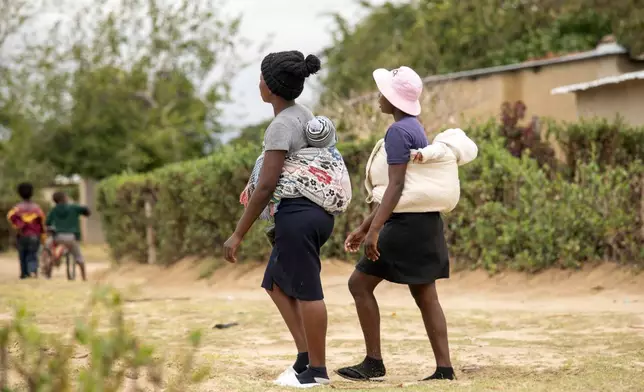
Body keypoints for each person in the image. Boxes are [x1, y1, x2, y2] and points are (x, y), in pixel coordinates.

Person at [224, 51, 347, 388]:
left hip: (298, 214)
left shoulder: (280, 126)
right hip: (314, 213)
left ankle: (317, 372)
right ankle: (305, 357)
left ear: (272, 87)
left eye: (262, 77)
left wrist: (238, 234)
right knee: (276, 284)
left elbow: (265, 186)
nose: (259, 83)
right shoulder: (303, 113)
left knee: (308, 291)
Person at [336, 66, 456, 382]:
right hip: (426, 225)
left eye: (382, 91)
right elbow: (408, 190)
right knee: (425, 294)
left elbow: (396, 186)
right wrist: (364, 227)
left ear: (392, 98)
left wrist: (373, 231)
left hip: (404, 226)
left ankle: (374, 363)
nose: (378, 96)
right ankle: (444, 369)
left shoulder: (397, 132)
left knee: (358, 284)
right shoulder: (415, 128)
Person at [45, 191, 90, 281]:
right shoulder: (73, 207)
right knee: (79, 257)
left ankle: (48, 273)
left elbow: (47, 223)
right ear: (64, 198)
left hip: (58, 236)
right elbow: (86, 211)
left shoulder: (54, 210)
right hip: (71, 237)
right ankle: (84, 277)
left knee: (52, 251)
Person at [7, 182, 46, 279]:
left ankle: (24, 273)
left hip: (22, 235)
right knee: (32, 253)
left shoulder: (17, 208)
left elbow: (10, 216)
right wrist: (43, 235)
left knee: (22, 254)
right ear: (32, 193)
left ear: (19, 193)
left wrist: (18, 225)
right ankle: (32, 271)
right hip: (34, 235)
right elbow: (41, 222)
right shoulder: (36, 208)